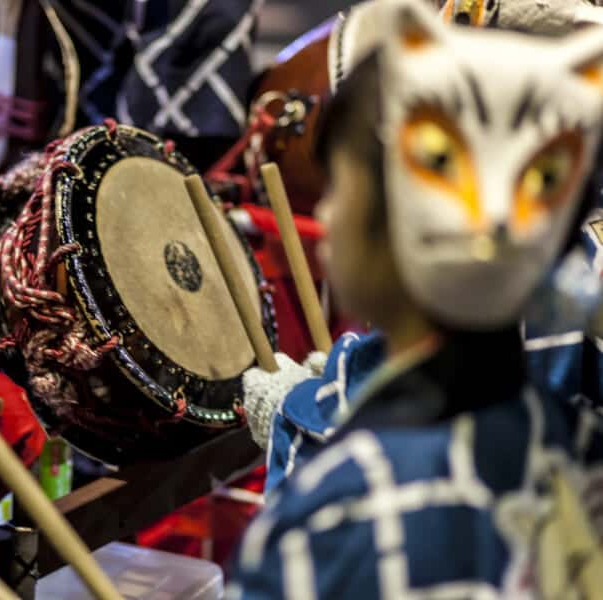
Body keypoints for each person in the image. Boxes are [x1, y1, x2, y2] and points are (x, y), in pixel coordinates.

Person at [232, 1, 603, 596]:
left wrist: (304, 422)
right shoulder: (581, 453)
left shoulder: (328, 521)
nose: (325, 212)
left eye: (341, 188)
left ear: (397, 228)